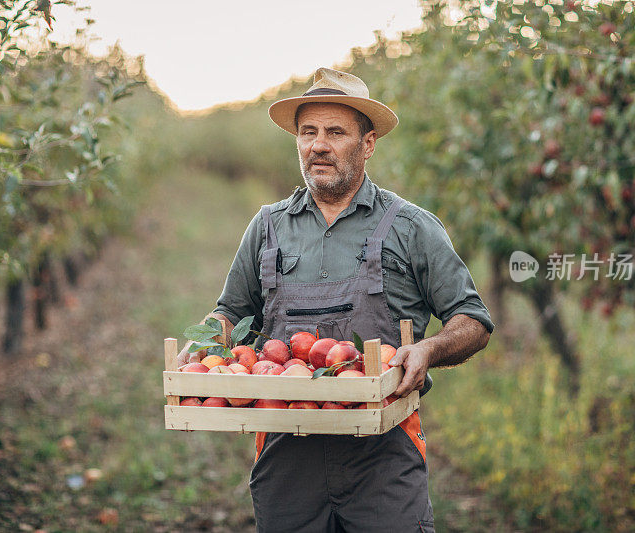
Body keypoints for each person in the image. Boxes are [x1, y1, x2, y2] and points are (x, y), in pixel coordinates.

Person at [196, 67, 494, 532]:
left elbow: (472, 320)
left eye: (335, 132)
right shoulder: (268, 227)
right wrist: (207, 356)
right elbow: (231, 313)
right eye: (308, 132)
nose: (318, 145)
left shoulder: (411, 227)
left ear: (368, 144)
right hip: (285, 451)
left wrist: (428, 350)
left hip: (382, 453)